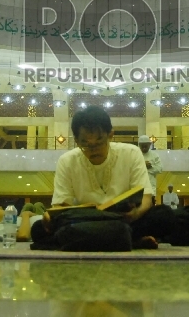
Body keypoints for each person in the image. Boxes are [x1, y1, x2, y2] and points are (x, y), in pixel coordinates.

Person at [51, 105, 167, 247]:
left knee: (163, 215)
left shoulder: (131, 153)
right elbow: (60, 205)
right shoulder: (67, 161)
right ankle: (129, 239)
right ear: (76, 140)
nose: (93, 150)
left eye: (99, 142)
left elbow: (146, 198)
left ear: (110, 135)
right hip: (87, 221)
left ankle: (114, 237)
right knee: (40, 227)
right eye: (85, 144)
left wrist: (135, 214)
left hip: (126, 219)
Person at [137, 135, 162, 202]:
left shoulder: (154, 155)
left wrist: (150, 167)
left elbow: (160, 169)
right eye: (142, 146)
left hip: (151, 189)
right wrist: (143, 165)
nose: (144, 148)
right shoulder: (135, 154)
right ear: (139, 145)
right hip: (137, 189)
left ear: (149, 144)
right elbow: (131, 170)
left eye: (146, 146)